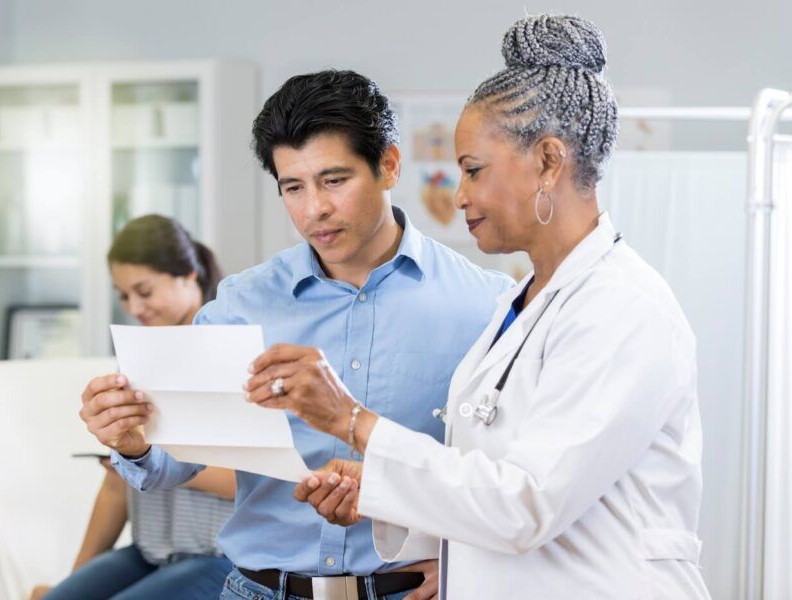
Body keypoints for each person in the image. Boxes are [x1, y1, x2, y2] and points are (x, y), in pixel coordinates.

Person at [246, 15, 711, 599]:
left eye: (473, 170)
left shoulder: (622, 307)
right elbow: (490, 480)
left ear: (547, 161)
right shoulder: (523, 301)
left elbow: (524, 505)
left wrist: (351, 421)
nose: (459, 194)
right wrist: (380, 488)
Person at [78, 70, 514, 599]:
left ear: (388, 165)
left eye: (334, 180)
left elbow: (512, 477)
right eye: (293, 187)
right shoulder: (242, 303)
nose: (314, 209)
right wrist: (133, 442)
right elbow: (177, 459)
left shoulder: (485, 305)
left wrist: (471, 564)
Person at [34, 215, 236, 600]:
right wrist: (69, 587)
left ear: (188, 275)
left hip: (219, 558)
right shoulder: (139, 359)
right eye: (124, 295)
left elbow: (246, 481)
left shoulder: (230, 351)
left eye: (144, 291)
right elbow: (114, 488)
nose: (134, 307)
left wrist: (149, 458)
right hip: (151, 552)